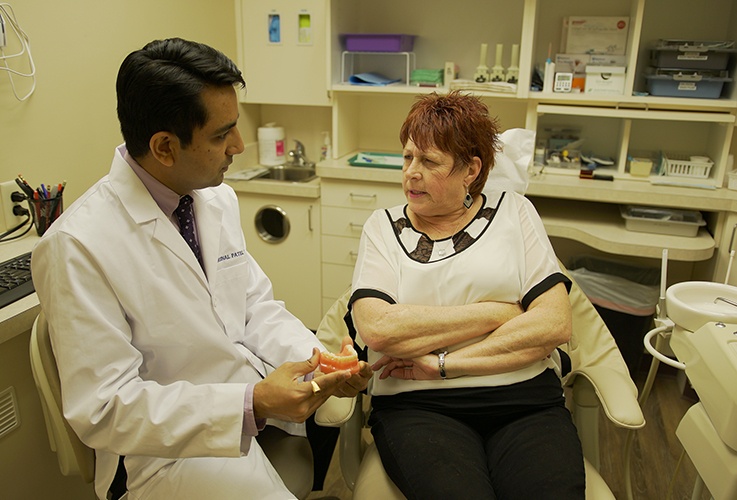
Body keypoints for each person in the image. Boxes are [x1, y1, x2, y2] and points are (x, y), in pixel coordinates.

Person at [31, 38, 371, 500]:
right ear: (165, 147)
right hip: (165, 454)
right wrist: (249, 404)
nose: (239, 144)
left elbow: (254, 309)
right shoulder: (77, 246)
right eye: (221, 134)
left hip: (251, 403)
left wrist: (319, 361)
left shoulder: (213, 199)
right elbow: (106, 409)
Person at [348, 91, 585, 499]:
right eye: (408, 158)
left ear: (470, 170)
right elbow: (380, 330)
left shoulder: (516, 212)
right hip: (418, 408)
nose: (411, 174)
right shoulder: (382, 227)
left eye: (429, 161)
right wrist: (500, 313)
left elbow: (553, 324)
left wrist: (444, 364)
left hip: (525, 400)